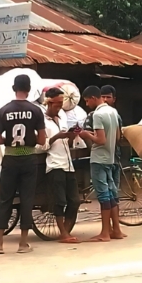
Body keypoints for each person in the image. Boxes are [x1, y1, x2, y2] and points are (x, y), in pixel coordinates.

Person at [0, 74, 47, 255]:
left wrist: (9, 140)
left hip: (10, 159)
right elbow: (43, 139)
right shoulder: (36, 111)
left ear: (14, 88)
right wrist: (30, 139)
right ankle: (23, 243)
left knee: (4, 199)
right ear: (29, 90)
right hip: (29, 159)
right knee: (27, 200)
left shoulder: (4, 110)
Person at [77, 85, 125, 241]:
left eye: (86, 101)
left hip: (99, 158)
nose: (86, 104)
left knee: (103, 196)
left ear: (92, 98)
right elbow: (116, 136)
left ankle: (105, 233)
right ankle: (116, 230)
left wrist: (86, 134)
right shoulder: (113, 112)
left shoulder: (97, 115)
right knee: (111, 193)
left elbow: (100, 140)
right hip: (111, 158)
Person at [42, 88, 81, 243]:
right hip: (54, 164)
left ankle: (65, 230)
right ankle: (64, 233)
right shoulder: (42, 121)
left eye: (61, 104)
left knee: (75, 200)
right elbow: (42, 146)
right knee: (60, 201)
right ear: (49, 102)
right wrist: (56, 137)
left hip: (68, 164)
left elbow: (68, 143)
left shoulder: (62, 117)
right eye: (57, 104)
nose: (59, 107)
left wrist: (71, 136)